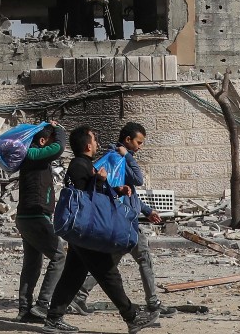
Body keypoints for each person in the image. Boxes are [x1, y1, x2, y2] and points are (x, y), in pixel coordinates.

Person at [42, 127, 157, 333]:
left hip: (82, 231)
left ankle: (53, 318)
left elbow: (92, 192)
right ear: (87, 145)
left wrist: (113, 187)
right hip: (87, 229)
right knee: (108, 274)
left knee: (73, 275)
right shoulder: (80, 165)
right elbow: (83, 198)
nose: (97, 144)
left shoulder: (84, 165)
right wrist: (99, 180)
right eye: (94, 140)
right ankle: (132, 317)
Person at [102, 122, 165, 320]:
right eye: (139, 142)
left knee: (113, 262)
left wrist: (146, 210)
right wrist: (127, 156)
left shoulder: (121, 158)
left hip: (126, 217)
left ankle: (79, 295)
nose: (140, 146)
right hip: (123, 219)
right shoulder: (118, 158)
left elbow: (131, 192)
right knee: (131, 258)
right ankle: (153, 303)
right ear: (127, 140)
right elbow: (138, 179)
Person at [13, 123, 67, 323]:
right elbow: (59, 148)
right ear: (43, 141)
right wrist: (59, 130)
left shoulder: (32, 157)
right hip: (35, 216)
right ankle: (43, 305)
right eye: (49, 142)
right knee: (59, 256)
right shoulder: (33, 154)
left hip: (27, 217)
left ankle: (24, 310)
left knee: (32, 263)